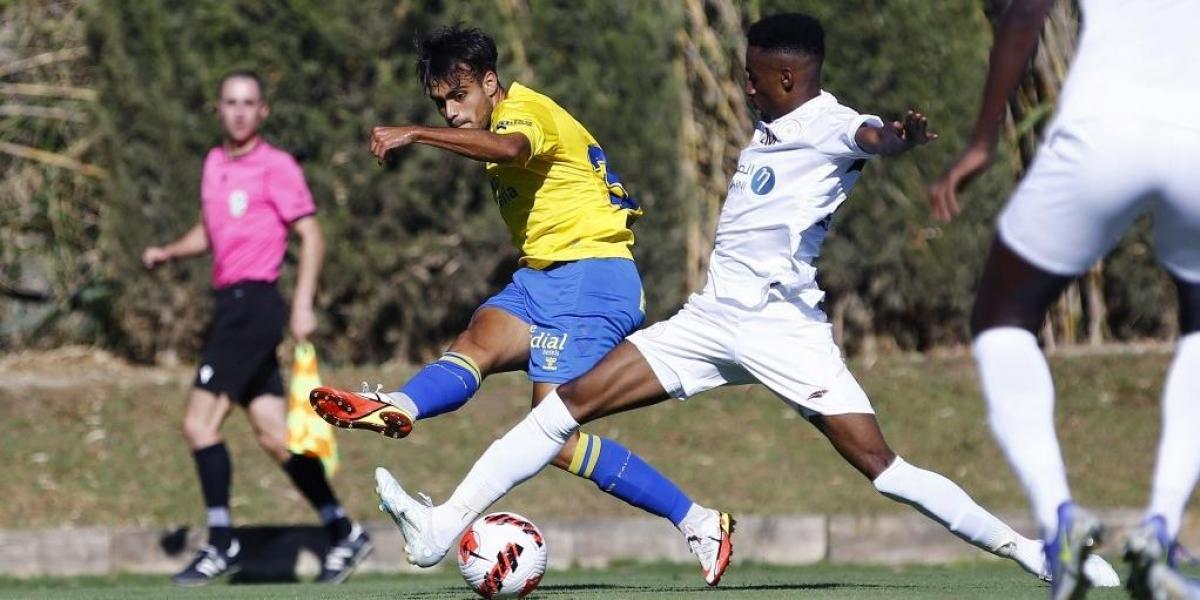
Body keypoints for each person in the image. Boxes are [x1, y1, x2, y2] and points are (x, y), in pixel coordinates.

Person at [362, 13, 1118, 589]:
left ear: (787, 79)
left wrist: (897, 137)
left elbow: (869, 135)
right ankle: (440, 529)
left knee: (883, 468)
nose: (746, 86)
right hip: (709, 319)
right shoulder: (769, 126)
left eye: (754, 78)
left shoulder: (826, 123)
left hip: (784, 331)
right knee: (558, 413)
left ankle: (1032, 552)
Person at [308, 26, 733, 585]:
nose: (452, 112)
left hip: (592, 278)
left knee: (552, 436)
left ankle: (699, 522)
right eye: (439, 103)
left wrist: (417, 132)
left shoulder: (524, 112)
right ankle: (402, 407)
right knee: (477, 341)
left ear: (491, 83)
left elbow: (513, 147)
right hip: (543, 278)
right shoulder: (492, 126)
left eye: (459, 97)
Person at [929, 0, 1200, 598]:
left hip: (1102, 128)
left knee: (1003, 318)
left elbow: (1024, 15)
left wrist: (981, 142)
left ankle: (1060, 522)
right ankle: (1161, 529)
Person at [142, 71, 371, 585]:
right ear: (219, 109)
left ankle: (221, 542)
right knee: (274, 435)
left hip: (255, 305)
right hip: (229, 304)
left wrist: (303, 304)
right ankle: (344, 532)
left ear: (262, 112)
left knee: (199, 425)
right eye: (230, 103)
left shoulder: (277, 167)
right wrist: (170, 252)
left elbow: (311, 235)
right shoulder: (214, 164)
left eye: (249, 103)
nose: (240, 111)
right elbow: (212, 227)